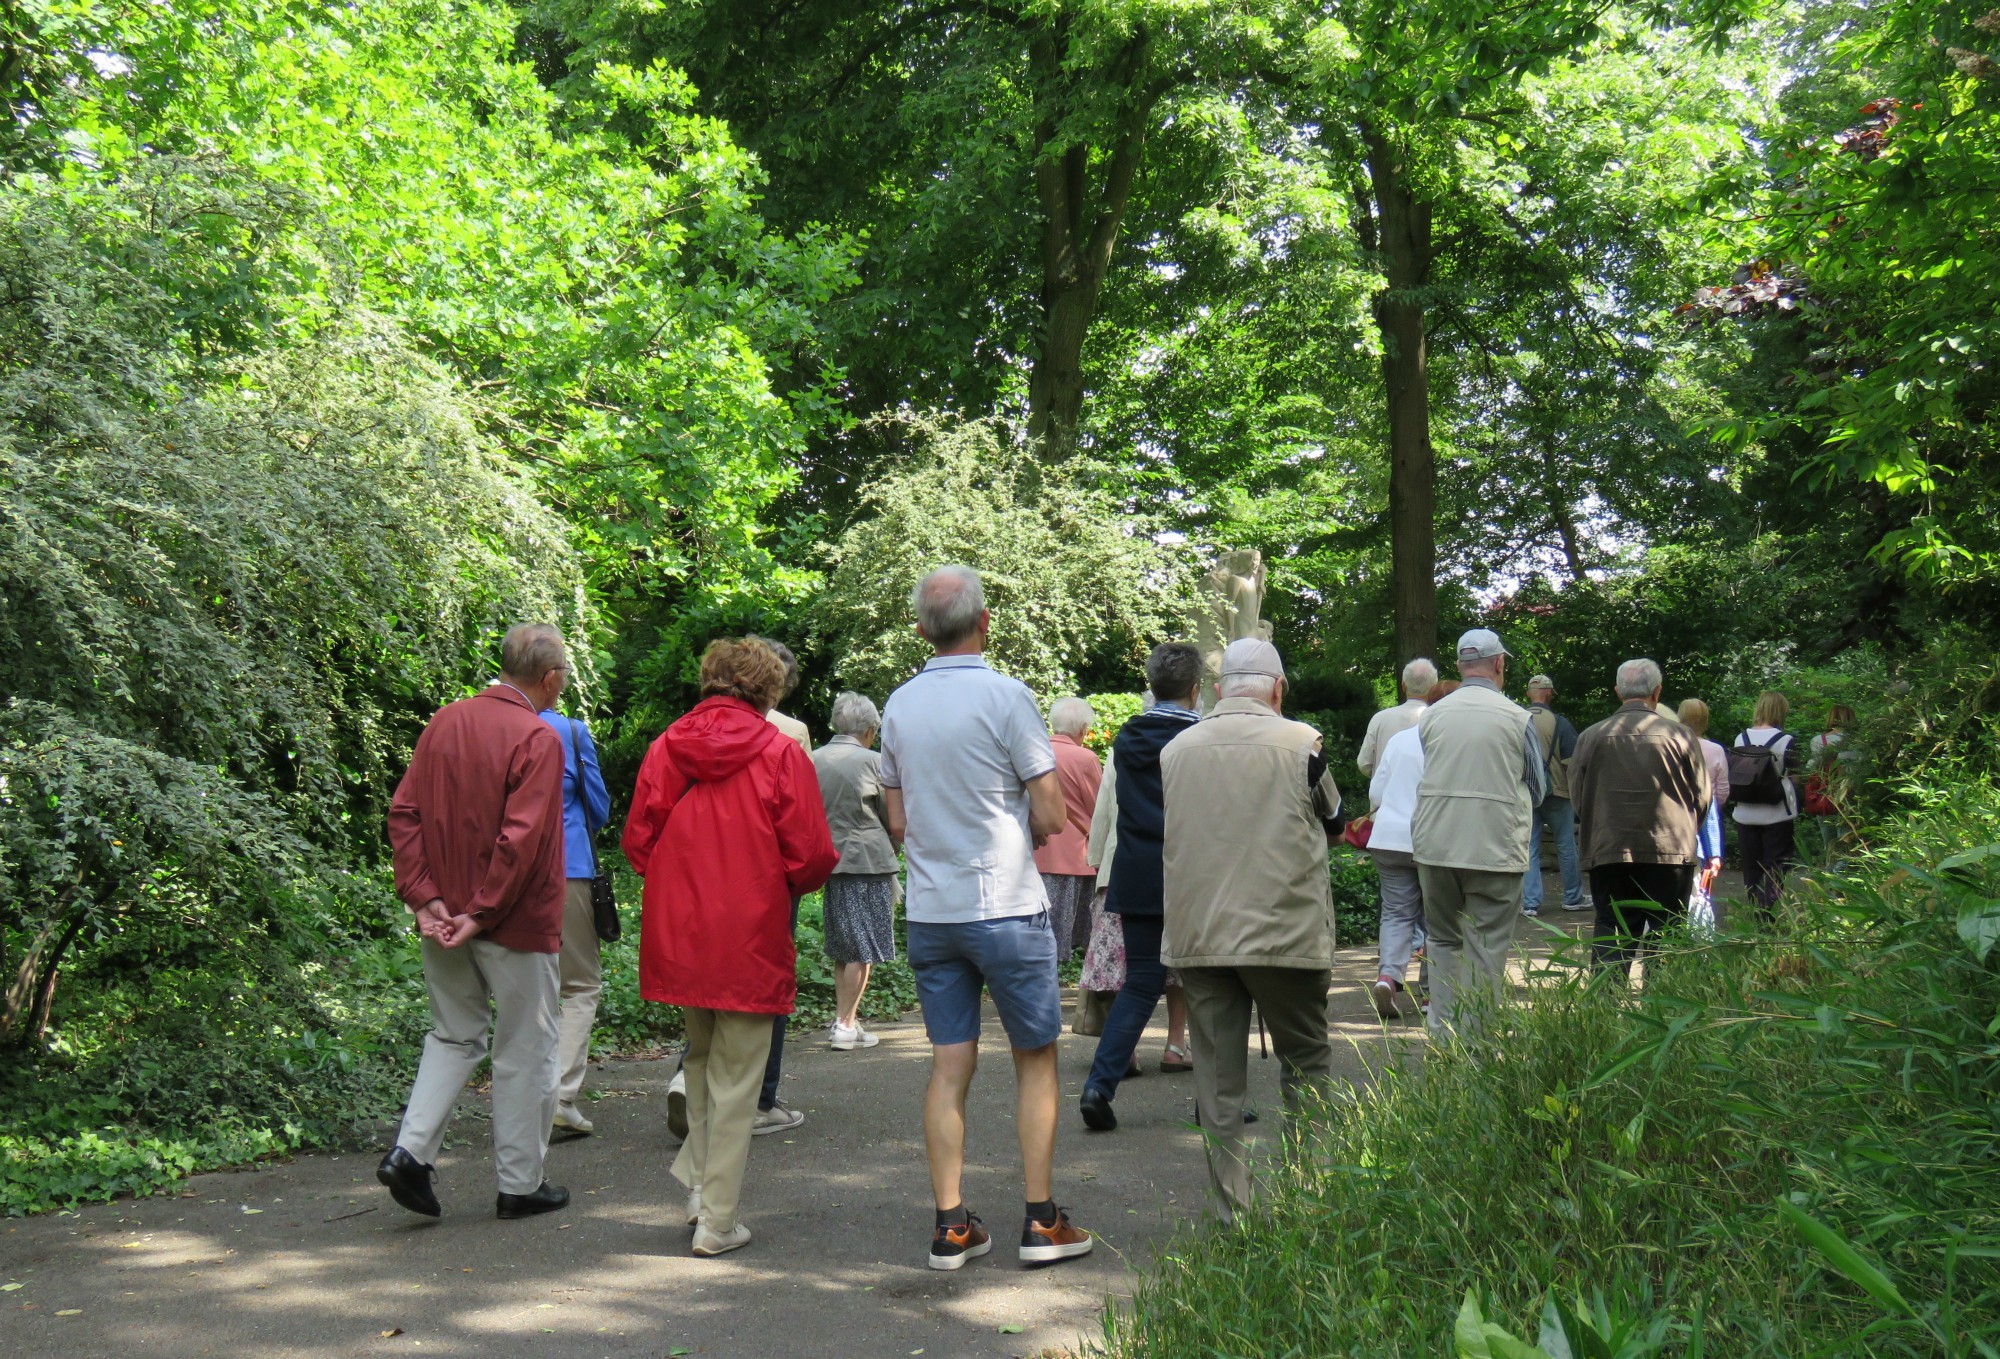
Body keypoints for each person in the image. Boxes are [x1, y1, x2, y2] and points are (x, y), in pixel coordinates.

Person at [879, 565, 1094, 1272]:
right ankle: (1041, 1220)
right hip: (1006, 906)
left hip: (933, 913)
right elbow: (1052, 810)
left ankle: (951, 1226)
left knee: (948, 1066)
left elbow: (899, 820)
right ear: (986, 620)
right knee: (1035, 1058)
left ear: (920, 629)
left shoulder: (899, 706)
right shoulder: (1008, 698)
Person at [622, 638, 839, 1257]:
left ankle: (697, 1189)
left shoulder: (668, 745)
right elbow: (812, 854)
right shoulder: (779, 751)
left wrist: (681, 880)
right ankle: (717, 1220)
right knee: (740, 1075)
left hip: (681, 928)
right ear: (768, 690)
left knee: (701, 1057)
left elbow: (639, 842)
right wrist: (773, 881)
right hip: (748, 929)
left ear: (709, 681)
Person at [379, 623, 573, 1221]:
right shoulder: (537, 739)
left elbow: (404, 812)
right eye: (564, 675)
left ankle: (409, 1154)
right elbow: (520, 839)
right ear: (549, 678)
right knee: (527, 1047)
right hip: (512, 920)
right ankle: (519, 1184)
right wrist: (481, 911)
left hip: (443, 916)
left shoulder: (444, 722)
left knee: (453, 1034)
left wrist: (424, 897)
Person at [1160, 637, 1343, 1221]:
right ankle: (1308, 1200)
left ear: (1219, 690)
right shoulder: (1303, 745)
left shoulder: (1177, 749)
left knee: (1217, 1081)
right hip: (1282, 932)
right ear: (1278, 689)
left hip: (1200, 932)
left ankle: (1233, 1216)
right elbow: (1333, 820)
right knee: (1307, 1062)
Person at [1078, 643, 1205, 1132]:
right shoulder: (1203, 738)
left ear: (1152, 685)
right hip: (1194, 876)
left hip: (1138, 874)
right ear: (1196, 689)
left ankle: (1098, 1085)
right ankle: (1216, 1100)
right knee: (1212, 985)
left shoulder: (1126, 737)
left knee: (1140, 983)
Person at [1410, 629, 1545, 1035]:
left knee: (1444, 941)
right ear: (1499, 664)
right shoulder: (1518, 718)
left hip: (1435, 845)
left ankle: (1442, 1038)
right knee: (1484, 946)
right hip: (1494, 846)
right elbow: (1538, 789)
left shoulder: (1431, 716)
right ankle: (1477, 1047)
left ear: (1458, 667)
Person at [1568, 660, 1711, 978]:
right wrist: (1686, 830)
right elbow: (1702, 797)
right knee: (1667, 930)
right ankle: (1663, 1012)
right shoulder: (1682, 737)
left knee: (1612, 929)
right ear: (1657, 692)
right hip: (1669, 849)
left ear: (1618, 692)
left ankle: (1602, 1013)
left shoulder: (1591, 737)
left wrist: (1599, 825)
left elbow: (1578, 797)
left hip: (1610, 848)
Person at [1080, 703, 1191, 1072]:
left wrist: (1097, 859)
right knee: (1182, 970)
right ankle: (1176, 1046)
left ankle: (1122, 1051)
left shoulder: (1123, 746)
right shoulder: (1197, 740)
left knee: (1120, 966)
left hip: (1122, 867)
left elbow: (1105, 809)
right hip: (1184, 867)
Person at [538, 697, 614, 1136]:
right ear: (551, 678)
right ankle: (561, 1096)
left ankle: (526, 1097)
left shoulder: (488, 724)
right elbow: (598, 809)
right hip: (567, 868)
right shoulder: (569, 731)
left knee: (530, 989)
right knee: (581, 985)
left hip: (502, 877)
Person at [812, 691, 900, 1051]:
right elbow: (892, 818)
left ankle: (846, 1019)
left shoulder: (811, 759)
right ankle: (845, 1025)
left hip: (829, 861)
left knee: (843, 946)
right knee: (863, 948)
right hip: (869, 861)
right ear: (868, 729)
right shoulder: (874, 762)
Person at [1365, 679, 1457, 1018]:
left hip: (1389, 838)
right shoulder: (1452, 743)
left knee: (1396, 913)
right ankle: (1432, 993)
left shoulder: (1400, 740)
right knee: (1439, 918)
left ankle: (1388, 976)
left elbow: (1377, 791)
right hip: (1433, 840)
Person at [1033, 697, 1103, 961]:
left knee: (1041, 936)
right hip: (1074, 859)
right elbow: (1099, 808)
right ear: (1083, 728)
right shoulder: (1085, 758)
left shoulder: (1034, 751)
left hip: (1035, 853)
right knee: (1084, 937)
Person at [1730, 690, 1802, 919]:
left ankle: (1755, 910)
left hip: (1744, 813)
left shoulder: (1741, 739)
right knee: (1777, 866)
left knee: (1751, 867)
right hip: (1777, 813)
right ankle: (1766, 911)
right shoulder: (1786, 741)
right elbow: (1796, 777)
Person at [1521, 675, 1586, 917]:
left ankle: (1530, 903)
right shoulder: (1560, 723)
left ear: (1529, 694)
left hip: (1527, 792)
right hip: (1558, 792)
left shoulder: (1517, 720)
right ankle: (1572, 897)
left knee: (1529, 847)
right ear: (1549, 694)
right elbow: (1573, 763)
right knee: (1566, 844)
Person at [1677, 698, 1729, 930]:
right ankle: (1698, 936)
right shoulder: (1716, 750)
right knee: (1700, 887)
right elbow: (1723, 789)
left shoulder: (1672, 745)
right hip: (1704, 823)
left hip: (1673, 823)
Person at [1356, 657, 1437, 778]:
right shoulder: (1437, 719)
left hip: (1384, 794)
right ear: (1434, 686)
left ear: (1403, 685)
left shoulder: (1380, 718)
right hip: (1425, 794)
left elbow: (1364, 763)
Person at [1810, 704, 1856, 865]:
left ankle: (1830, 883)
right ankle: (1841, 882)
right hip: (1850, 798)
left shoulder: (1818, 741)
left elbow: (1812, 767)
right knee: (1846, 845)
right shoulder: (1856, 742)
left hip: (1825, 797)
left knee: (1829, 845)